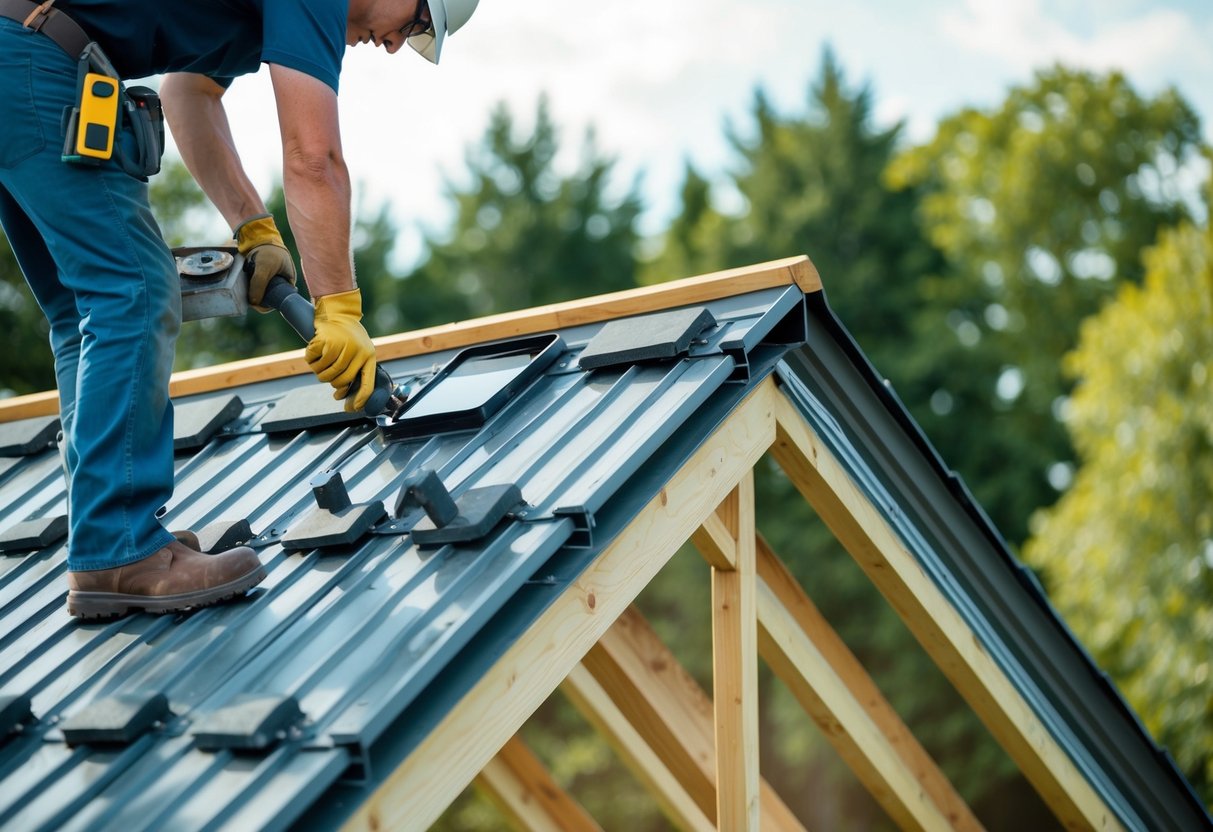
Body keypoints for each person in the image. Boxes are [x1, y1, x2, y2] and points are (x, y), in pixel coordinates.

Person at [0, 0, 480, 619]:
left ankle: (107, 538)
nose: (394, 46)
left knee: (85, 308)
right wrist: (338, 308)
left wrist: (253, 227)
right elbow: (314, 157)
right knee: (135, 288)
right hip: (38, 55)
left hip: (19, 49)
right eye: (414, 25)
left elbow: (188, 95)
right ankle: (119, 549)